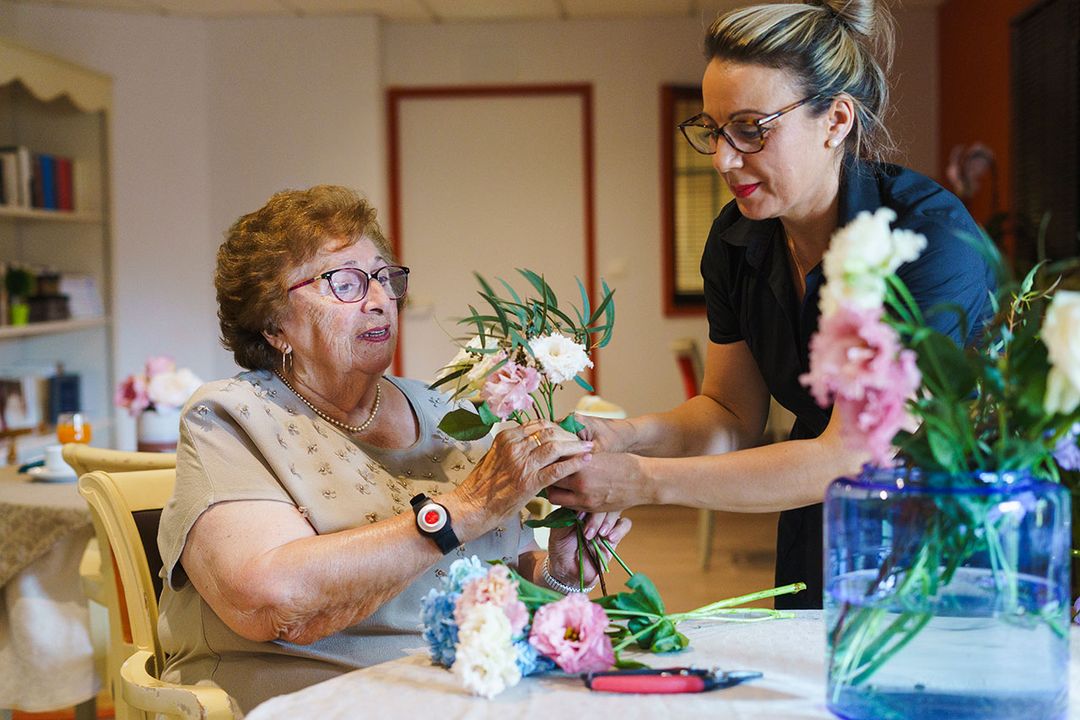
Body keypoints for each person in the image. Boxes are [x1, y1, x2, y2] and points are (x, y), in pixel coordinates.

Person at [547, 0, 994, 610]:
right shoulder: (738, 240)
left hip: (944, 536)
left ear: (835, 120)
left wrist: (644, 481)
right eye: (712, 128)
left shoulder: (929, 241)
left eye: (752, 128)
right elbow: (729, 414)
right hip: (820, 520)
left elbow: (854, 451)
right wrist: (624, 437)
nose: (724, 159)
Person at [156, 185, 630, 712]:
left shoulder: (443, 410)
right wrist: (466, 508)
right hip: (316, 693)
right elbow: (270, 601)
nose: (381, 299)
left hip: (461, 687)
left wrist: (559, 573)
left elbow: (495, 579)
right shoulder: (230, 416)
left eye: (384, 277)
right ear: (273, 324)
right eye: (345, 283)